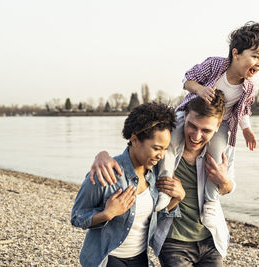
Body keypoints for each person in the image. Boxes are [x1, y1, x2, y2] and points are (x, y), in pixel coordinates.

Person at [91, 91, 234, 266]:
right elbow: (135, 149)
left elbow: (227, 189)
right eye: (192, 126)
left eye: (206, 130)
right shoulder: (165, 147)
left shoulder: (221, 151)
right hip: (173, 240)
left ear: (218, 126)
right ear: (185, 114)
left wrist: (223, 181)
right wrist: (102, 155)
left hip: (211, 237)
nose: (196, 136)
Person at [155, 21, 259, 226]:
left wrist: (247, 129)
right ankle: (165, 189)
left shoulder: (249, 87)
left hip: (221, 124)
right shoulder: (215, 65)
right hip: (191, 114)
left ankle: (210, 203)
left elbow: (244, 110)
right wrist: (200, 90)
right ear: (236, 53)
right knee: (171, 143)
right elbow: (187, 80)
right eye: (255, 56)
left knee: (218, 159)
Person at [71, 102, 183, 267]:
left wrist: (177, 199)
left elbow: (152, 217)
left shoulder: (155, 175)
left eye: (165, 149)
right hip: (108, 259)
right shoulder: (105, 174)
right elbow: (77, 217)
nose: (161, 156)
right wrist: (107, 214)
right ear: (135, 140)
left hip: (140, 258)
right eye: (157, 148)